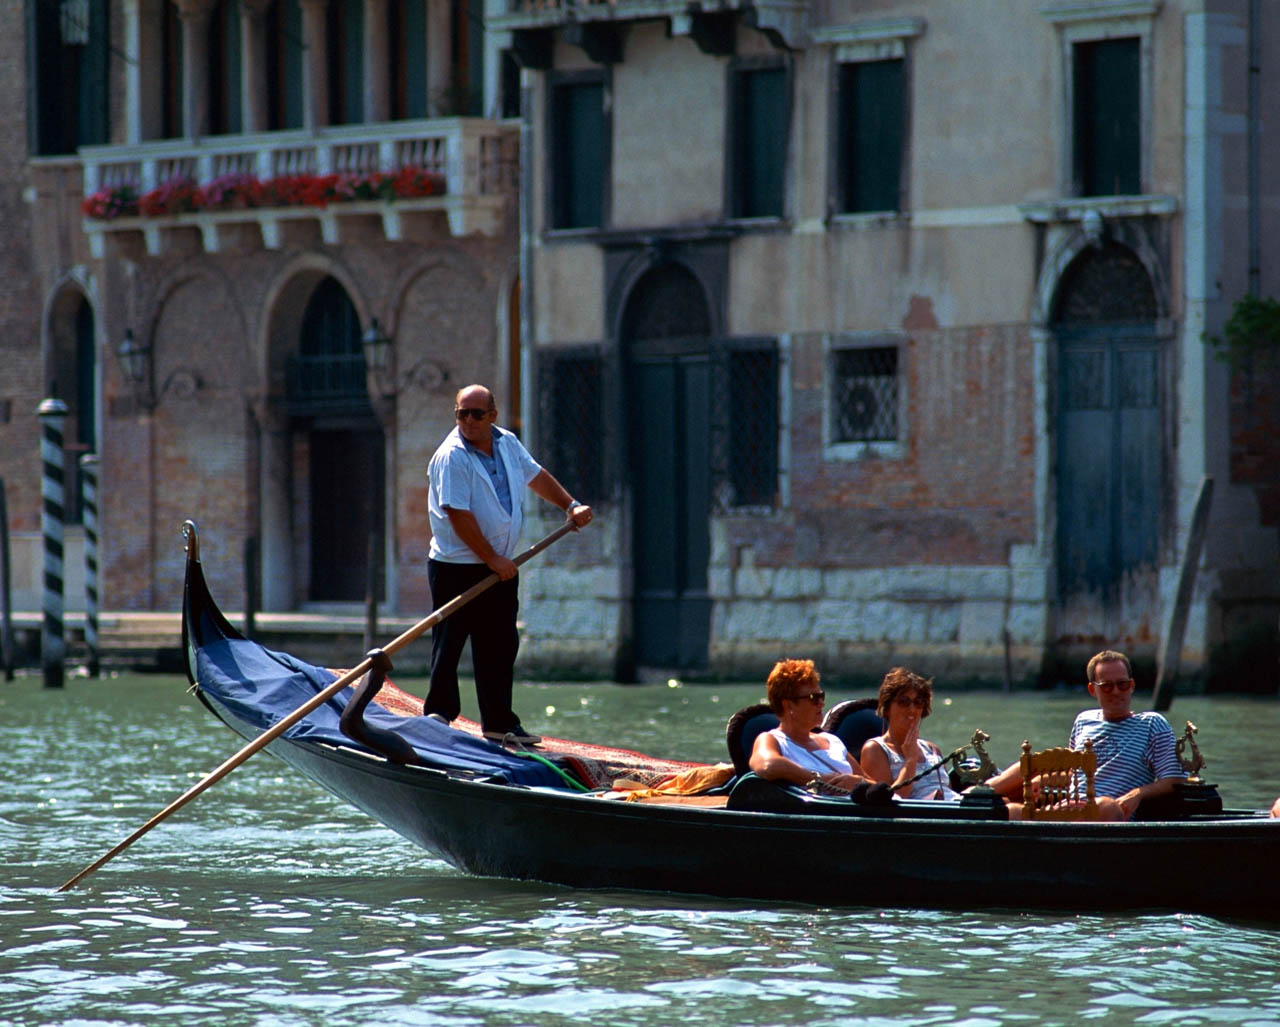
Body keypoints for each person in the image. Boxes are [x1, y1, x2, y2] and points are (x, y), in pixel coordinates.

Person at [425, 383, 592, 743]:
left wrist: (570, 505)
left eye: (476, 414)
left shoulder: (507, 443)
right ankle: (438, 717)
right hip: (456, 565)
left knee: (500, 644)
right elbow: (457, 513)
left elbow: (536, 476)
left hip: (501, 564)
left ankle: (499, 723)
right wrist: (493, 559)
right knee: (449, 641)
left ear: (492, 416)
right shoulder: (451, 456)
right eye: (461, 413)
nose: (468, 421)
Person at [987, 649, 1186, 821]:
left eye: (1122, 684)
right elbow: (1077, 773)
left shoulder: (1152, 724)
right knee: (1011, 811)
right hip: (1070, 807)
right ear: (1093, 689)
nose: (1116, 692)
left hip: (1107, 811)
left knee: (1107, 806)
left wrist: (1137, 794)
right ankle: (974, 796)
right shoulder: (1084, 720)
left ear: (1131, 686)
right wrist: (1047, 780)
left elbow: (1175, 779)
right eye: (1107, 686)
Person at [748, 658, 888, 794]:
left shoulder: (832, 741)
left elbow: (873, 784)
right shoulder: (772, 740)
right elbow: (767, 765)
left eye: (821, 696)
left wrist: (858, 783)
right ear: (788, 705)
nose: (821, 703)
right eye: (814, 698)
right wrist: (825, 781)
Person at [860, 667, 960, 801]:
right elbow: (890, 801)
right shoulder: (875, 749)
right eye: (904, 702)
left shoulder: (932, 749)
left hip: (952, 808)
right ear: (888, 707)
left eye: (918, 702)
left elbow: (948, 790)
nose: (912, 709)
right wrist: (910, 760)